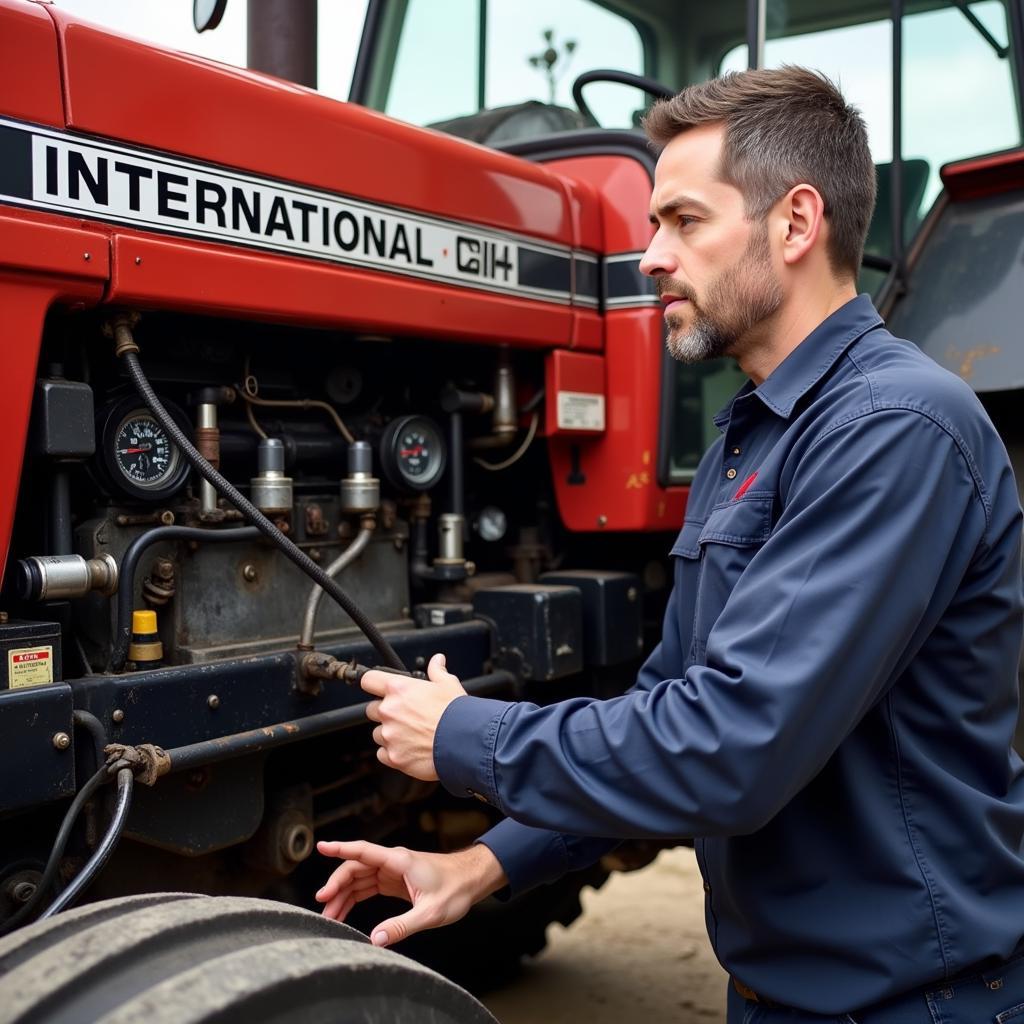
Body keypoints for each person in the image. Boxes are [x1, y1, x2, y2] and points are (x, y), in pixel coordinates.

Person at [316, 67, 1024, 1023]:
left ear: (795, 223)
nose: (649, 256)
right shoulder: (752, 433)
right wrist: (485, 864)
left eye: (683, 222)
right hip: (778, 991)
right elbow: (667, 705)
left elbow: (732, 745)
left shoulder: (896, 426)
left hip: (907, 1002)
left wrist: (463, 736)